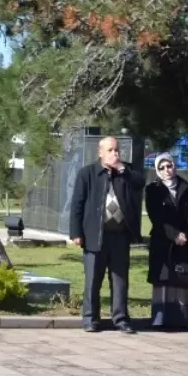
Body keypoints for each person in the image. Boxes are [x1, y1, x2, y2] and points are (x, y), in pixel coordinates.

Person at [70, 136, 142, 334]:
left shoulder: (124, 172)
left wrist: (122, 170)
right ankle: (90, 319)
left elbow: (139, 183)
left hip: (119, 236)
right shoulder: (88, 173)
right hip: (95, 235)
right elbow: (77, 203)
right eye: (110, 150)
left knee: (120, 280)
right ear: (100, 153)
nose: (114, 154)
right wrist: (76, 232)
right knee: (93, 280)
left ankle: (120, 319)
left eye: (117, 150)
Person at [145, 154, 188, 331]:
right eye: (162, 167)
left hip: (183, 241)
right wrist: (173, 234)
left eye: (169, 166)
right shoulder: (152, 189)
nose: (167, 170)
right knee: (163, 279)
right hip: (163, 240)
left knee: (183, 279)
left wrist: (185, 234)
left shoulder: (186, 187)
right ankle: (161, 319)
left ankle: (184, 319)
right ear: (157, 170)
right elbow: (156, 216)